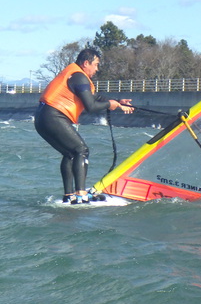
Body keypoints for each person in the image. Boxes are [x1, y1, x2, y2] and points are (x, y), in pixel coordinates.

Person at [35, 48, 133, 204]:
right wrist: (110, 105)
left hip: (43, 118)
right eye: (95, 65)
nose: (96, 69)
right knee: (81, 149)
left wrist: (117, 101)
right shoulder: (79, 77)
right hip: (53, 116)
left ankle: (69, 195)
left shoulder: (77, 77)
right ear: (86, 63)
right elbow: (91, 106)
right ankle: (81, 194)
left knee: (70, 153)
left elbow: (94, 97)